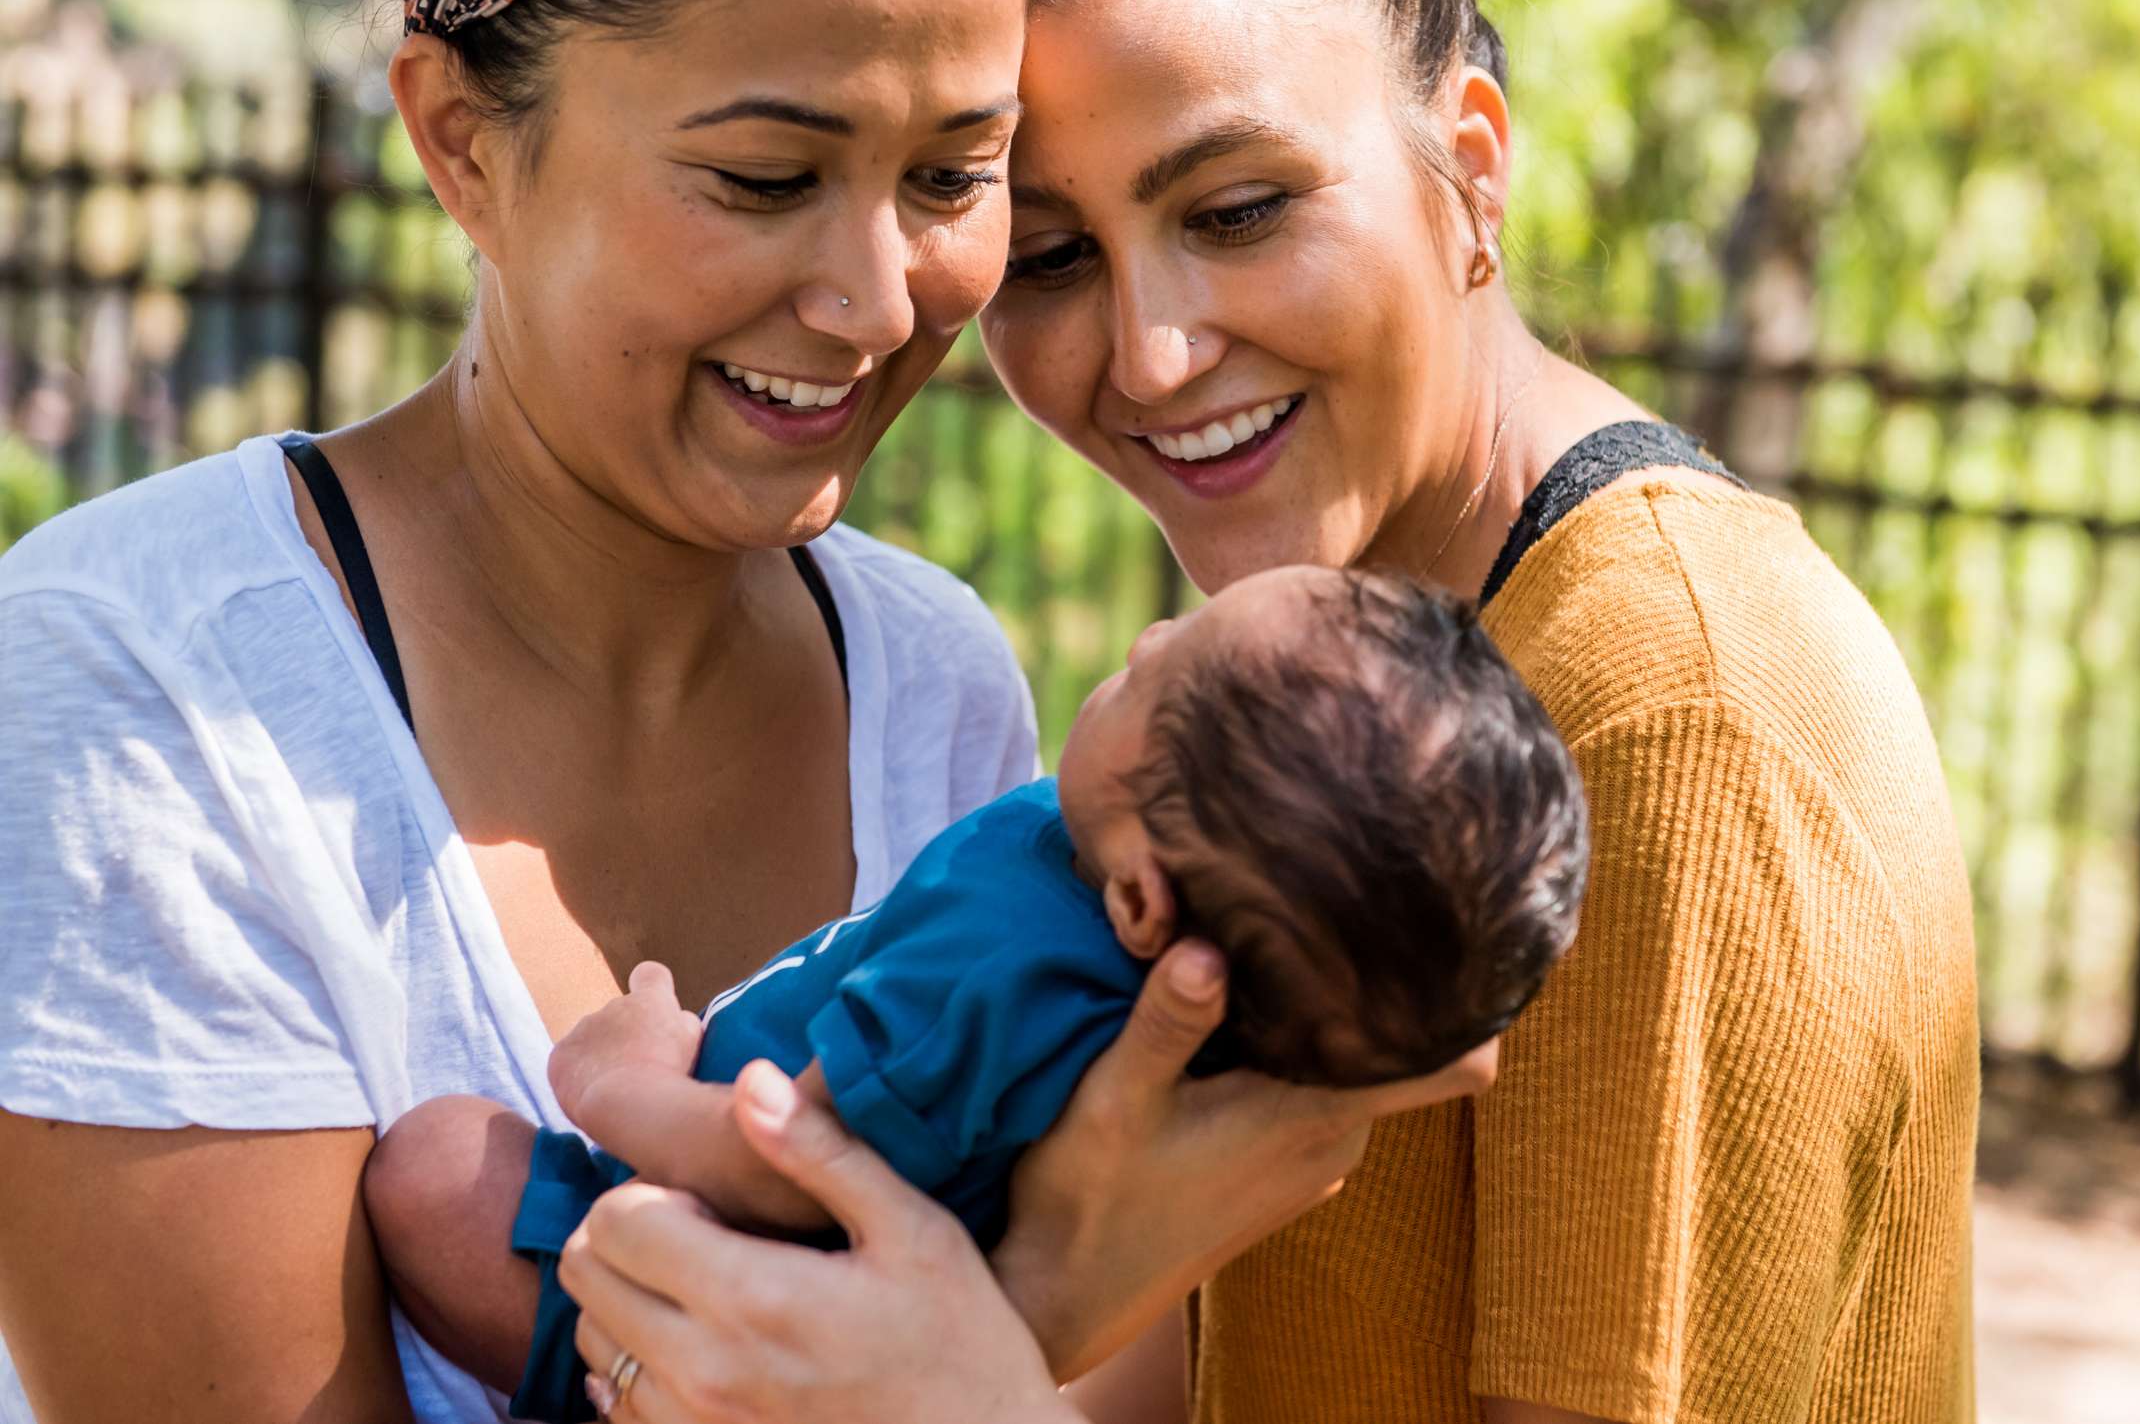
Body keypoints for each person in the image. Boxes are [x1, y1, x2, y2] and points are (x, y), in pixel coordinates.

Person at [0, 0, 1493, 1420]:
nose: (875, 295)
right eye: (767, 178)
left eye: (952, 175)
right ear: (460, 143)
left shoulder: (934, 686)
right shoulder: (142, 694)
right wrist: (1029, 1306)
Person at [554, 0, 1982, 1422]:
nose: (1153, 352)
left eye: (1237, 210)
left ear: (1474, 171)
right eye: (1050, 255)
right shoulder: (1310, 702)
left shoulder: (1667, 720)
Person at [364, 564, 1589, 1421]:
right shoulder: (1170, 940)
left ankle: (563, 1371)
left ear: (1144, 907)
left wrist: (612, 1075)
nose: (1147, 639)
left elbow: (783, 1156)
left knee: (431, 1170)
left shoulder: (1008, 973)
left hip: (702, 1276)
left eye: (1159, 680)